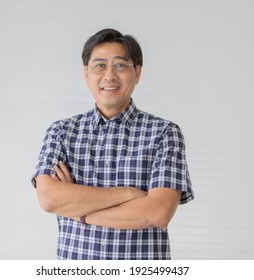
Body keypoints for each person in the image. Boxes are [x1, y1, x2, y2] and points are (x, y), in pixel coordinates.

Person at [31, 28, 194, 260]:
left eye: (120, 65)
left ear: (137, 73)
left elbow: (157, 212)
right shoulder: (61, 133)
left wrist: (80, 213)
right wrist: (128, 194)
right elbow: (49, 199)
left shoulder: (165, 134)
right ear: (86, 73)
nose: (109, 76)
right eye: (99, 65)